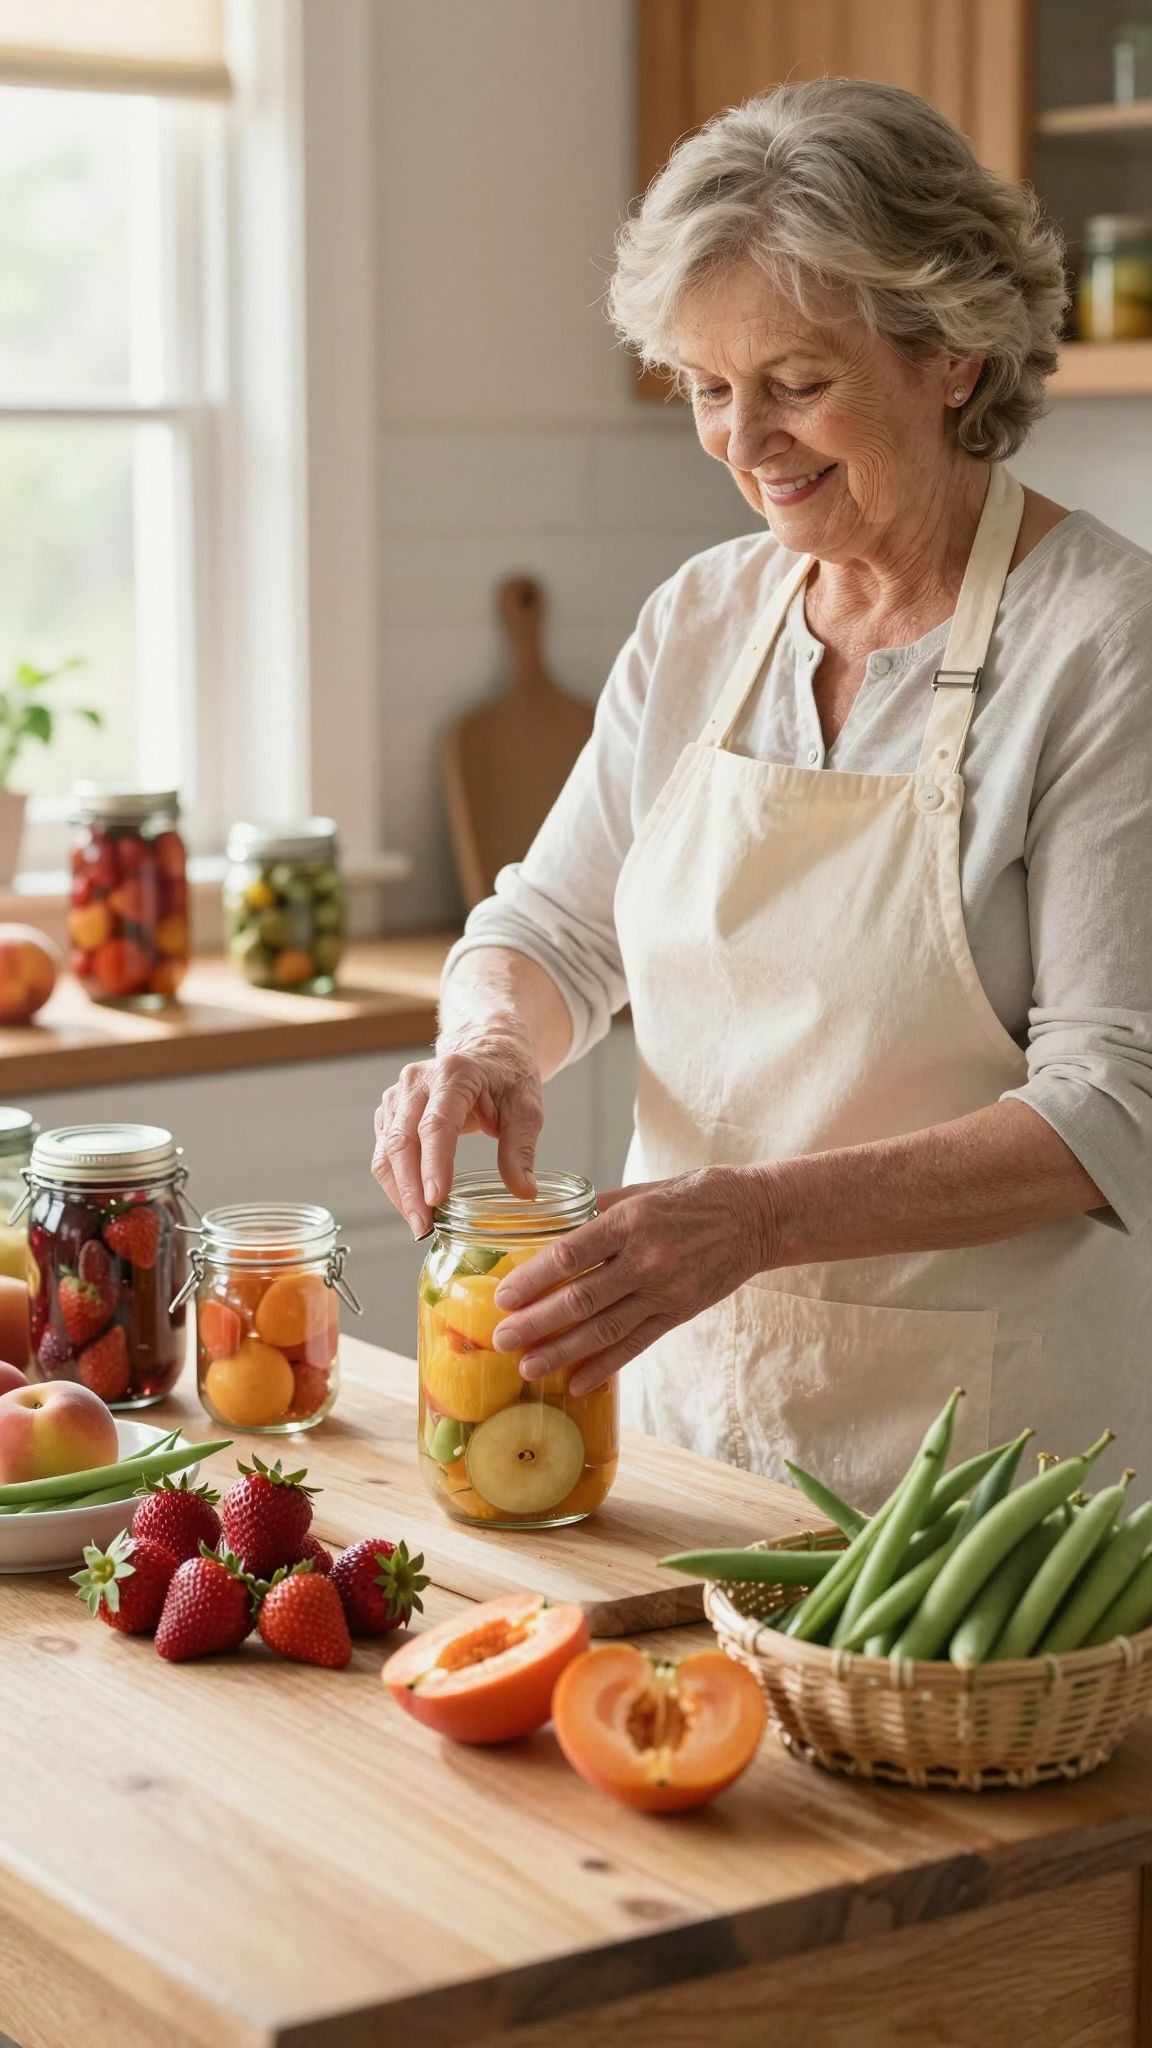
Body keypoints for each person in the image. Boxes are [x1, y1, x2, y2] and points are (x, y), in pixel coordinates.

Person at [373, 78, 1152, 1501]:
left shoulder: (1105, 640)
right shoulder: (701, 620)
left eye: (797, 384)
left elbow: (1115, 1106)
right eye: (708, 390)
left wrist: (753, 1218)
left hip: (986, 1482)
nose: (744, 441)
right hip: (678, 1438)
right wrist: (488, 1043)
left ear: (954, 354)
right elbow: (554, 925)